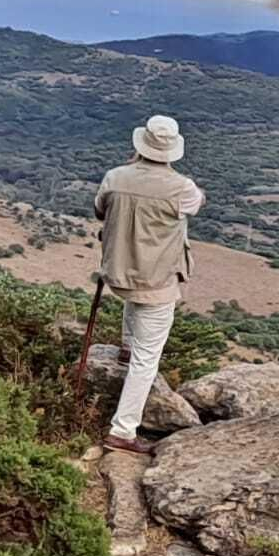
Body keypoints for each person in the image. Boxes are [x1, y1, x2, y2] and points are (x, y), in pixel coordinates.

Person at [95, 114, 205, 455]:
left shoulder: (115, 177)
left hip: (119, 272)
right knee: (148, 359)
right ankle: (123, 431)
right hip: (157, 279)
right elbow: (198, 203)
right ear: (172, 151)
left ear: (139, 144)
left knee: (134, 298)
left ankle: (126, 345)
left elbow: (101, 210)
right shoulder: (182, 187)